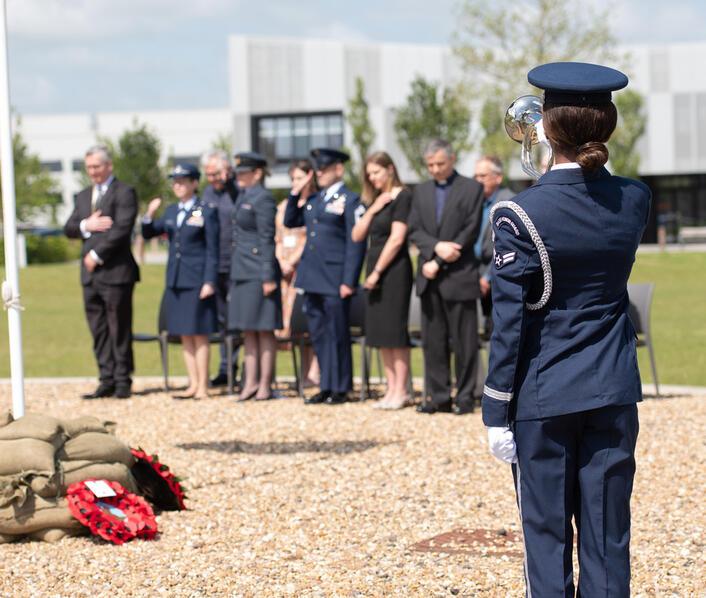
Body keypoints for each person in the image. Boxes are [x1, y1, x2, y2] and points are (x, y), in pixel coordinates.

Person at [482, 62, 651, 597]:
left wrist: (494, 410)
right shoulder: (635, 199)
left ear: (547, 128)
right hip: (613, 387)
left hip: (545, 393)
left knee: (548, 538)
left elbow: (508, 325)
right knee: (607, 538)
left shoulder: (518, 213)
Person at [284, 148, 366, 405]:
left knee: (337, 333)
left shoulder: (350, 200)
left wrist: (348, 281)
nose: (319, 174)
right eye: (316, 170)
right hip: (312, 276)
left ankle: (341, 387)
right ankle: (325, 385)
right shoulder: (314, 199)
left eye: (324, 169)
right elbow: (290, 219)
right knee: (318, 333)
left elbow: (355, 244)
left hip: (334, 277)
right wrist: (297, 190)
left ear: (338, 170)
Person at [407, 139, 484, 415]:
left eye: (440, 163)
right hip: (429, 278)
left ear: (452, 159)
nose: (435, 169)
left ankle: (465, 397)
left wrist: (438, 260)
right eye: (430, 165)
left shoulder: (472, 188)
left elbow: (470, 229)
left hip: (460, 275)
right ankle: (438, 397)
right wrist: (435, 250)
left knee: (464, 342)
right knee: (433, 342)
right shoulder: (421, 191)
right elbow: (414, 229)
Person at [64, 144, 140, 399]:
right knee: (98, 329)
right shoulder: (83, 196)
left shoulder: (124, 192)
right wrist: (88, 224)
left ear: (109, 166)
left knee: (119, 327)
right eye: (89, 168)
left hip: (117, 273)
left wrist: (97, 255)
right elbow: (70, 227)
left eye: (97, 166)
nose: (93, 172)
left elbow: (122, 229)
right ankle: (105, 378)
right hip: (90, 278)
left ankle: (122, 380)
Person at [142, 163, 219, 400]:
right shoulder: (172, 211)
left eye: (183, 181)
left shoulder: (206, 211)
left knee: (199, 333)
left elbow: (212, 250)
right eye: (175, 181)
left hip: (197, 280)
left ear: (194, 183)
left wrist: (209, 280)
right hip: (176, 279)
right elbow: (149, 233)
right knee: (185, 334)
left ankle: (203, 385)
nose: (178, 185)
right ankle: (193, 382)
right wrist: (148, 215)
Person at [351, 151, 413, 410]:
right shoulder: (375, 200)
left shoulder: (404, 196)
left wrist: (376, 271)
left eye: (376, 172)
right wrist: (374, 208)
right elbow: (357, 235)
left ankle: (402, 389)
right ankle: (390, 388)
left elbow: (397, 238)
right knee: (380, 332)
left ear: (390, 169)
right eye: (369, 174)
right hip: (375, 267)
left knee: (394, 332)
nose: (372, 178)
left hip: (394, 270)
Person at [228, 152, 282, 401]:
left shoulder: (263, 199)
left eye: (244, 172)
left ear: (257, 173)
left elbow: (266, 239)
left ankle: (264, 384)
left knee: (264, 330)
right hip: (242, 270)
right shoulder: (243, 196)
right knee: (249, 330)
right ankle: (250, 382)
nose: (239, 177)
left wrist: (268, 275)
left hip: (258, 271)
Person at [276, 160, 320, 387]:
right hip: (285, 273)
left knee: (306, 324)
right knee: (291, 325)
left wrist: (293, 261)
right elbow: (279, 235)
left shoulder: (316, 203)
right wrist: (281, 261)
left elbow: (311, 237)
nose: (296, 183)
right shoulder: (286, 206)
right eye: (293, 178)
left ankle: (313, 372)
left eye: (300, 178)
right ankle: (302, 374)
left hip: (304, 268)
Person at [200, 149, 240, 388]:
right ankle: (225, 368)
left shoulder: (236, 190)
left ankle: (240, 367)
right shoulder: (207, 193)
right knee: (222, 320)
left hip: (237, 265)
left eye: (216, 173)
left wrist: (230, 180)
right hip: (217, 265)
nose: (213, 178)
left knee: (238, 320)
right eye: (209, 174)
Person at [474, 156, 515, 340]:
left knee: (497, 335)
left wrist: (487, 277)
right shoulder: (476, 202)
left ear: (498, 177)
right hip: (475, 276)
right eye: (476, 176)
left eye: (483, 176)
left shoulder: (508, 202)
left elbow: (507, 246)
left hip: (497, 277)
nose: (478, 180)